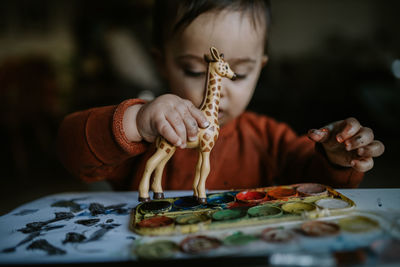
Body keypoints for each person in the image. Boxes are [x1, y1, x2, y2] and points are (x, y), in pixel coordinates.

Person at [57, 0, 384, 196]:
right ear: (162, 64)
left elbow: (319, 184)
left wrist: (336, 159)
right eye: (193, 71)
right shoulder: (149, 134)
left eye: (240, 74)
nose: (218, 90)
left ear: (261, 69)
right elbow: (69, 148)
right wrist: (135, 122)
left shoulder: (268, 139)